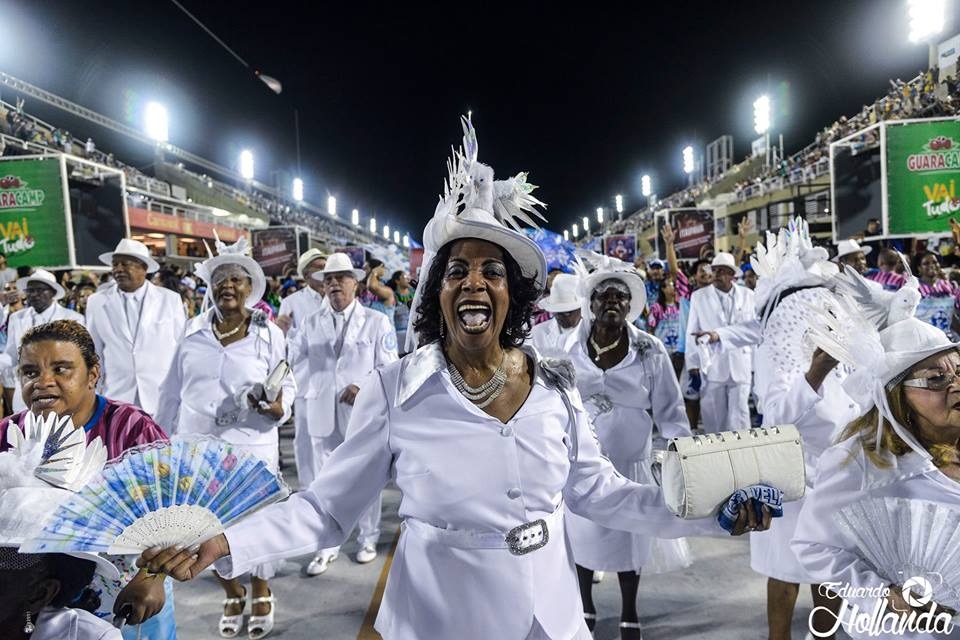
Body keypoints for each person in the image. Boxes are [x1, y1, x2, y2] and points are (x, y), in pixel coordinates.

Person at [141, 116, 777, 640]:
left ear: (514, 297)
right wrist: (226, 542)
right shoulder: (397, 389)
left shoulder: (555, 385)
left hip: (550, 616)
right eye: (457, 271)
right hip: (440, 617)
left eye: (492, 272)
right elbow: (324, 508)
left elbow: (605, 496)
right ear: (435, 296)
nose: (474, 282)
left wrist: (712, 514)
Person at [792, 276, 960, 639]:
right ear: (895, 398)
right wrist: (881, 598)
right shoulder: (859, 461)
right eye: (935, 379)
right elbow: (813, 546)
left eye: (958, 372)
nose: (956, 385)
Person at [156, 235, 294, 640]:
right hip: (198, 449)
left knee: (257, 523)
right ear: (209, 288)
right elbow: (169, 393)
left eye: (236, 280)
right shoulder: (190, 332)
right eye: (220, 280)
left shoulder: (269, 335)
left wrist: (279, 408)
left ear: (250, 289)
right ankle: (232, 592)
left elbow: (289, 383)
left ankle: (261, 588)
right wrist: (161, 444)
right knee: (204, 528)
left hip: (252, 447)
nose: (228, 287)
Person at [0, 320, 174, 639]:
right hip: (33, 605)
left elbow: (173, 512)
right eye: (30, 372)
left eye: (61, 369)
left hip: (130, 592)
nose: (42, 382)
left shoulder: (134, 431)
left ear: (93, 374)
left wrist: (152, 578)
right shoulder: (9, 433)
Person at [565, 255, 692, 638]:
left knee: (629, 540)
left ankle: (628, 610)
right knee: (584, 535)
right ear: (591, 303)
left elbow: (671, 408)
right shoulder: (569, 347)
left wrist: (682, 456)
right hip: (583, 462)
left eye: (621, 297)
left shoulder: (650, 350)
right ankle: (584, 605)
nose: (613, 303)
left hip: (631, 464)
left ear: (630, 305)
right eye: (605, 296)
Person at [288, 252, 398, 576]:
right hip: (321, 411)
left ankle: (368, 537)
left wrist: (363, 386)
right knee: (324, 483)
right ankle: (328, 544)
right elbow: (292, 361)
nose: (335, 284)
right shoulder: (310, 322)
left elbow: (389, 368)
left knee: (366, 478)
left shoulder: (378, 321)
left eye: (341, 278)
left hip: (360, 414)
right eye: (329, 280)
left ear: (356, 282)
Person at [85, 239, 186, 416]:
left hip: (161, 396)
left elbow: (181, 349)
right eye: (115, 265)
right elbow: (94, 352)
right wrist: (95, 393)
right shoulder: (97, 302)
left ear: (143, 268)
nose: (118, 269)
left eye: (125, 264)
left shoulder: (169, 300)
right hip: (117, 395)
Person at [685, 252, 756, 432]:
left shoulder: (748, 296)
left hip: (741, 364)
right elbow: (692, 332)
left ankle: (741, 456)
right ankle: (716, 457)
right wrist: (693, 364)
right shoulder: (699, 296)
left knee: (740, 418)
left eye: (722, 271)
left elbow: (754, 331)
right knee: (714, 419)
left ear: (732, 275)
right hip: (712, 364)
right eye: (715, 270)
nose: (716, 274)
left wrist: (756, 366)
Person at [0, 270, 84, 415]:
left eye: (39, 290)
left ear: (52, 292)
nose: (33, 294)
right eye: (30, 290)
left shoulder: (73, 318)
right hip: (26, 393)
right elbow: (12, 355)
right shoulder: (17, 318)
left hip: (61, 391)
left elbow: (80, 358)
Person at [275, 249, 327, 338]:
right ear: (306, 275)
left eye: (326, 267)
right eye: (319, 267)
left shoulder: (337, 299)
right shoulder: (290, 303)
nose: (324, 271)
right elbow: (283, 338)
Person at [529, 273, 582, 357]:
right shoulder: (538, 333)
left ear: (581, 309)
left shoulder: (592, 334)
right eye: (556, 311)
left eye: (566, 312)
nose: (559, 316)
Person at [913, 248, 960, 340]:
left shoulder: (949, 286)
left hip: (948, 338)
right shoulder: (914, 288)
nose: (932, 265)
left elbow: (953, 314)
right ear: (919, 268)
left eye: (935, 262)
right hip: (924, 339)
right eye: (926, 263)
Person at [358, 258, 396, 323]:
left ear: (375, 269)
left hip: (384, 331)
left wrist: (374, 272)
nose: (362, 271)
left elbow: (372, 287)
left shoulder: (386, 289)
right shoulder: (361, 288)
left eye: (365, 269)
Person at [387, 270, 414, 354]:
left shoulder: (414, 294)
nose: (408, 279)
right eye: (405, 277)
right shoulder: (392, 296)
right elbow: (391, 312)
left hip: (413, 333)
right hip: (399, 333)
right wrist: (406, 306)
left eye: (408, 277)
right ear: (397, 281)